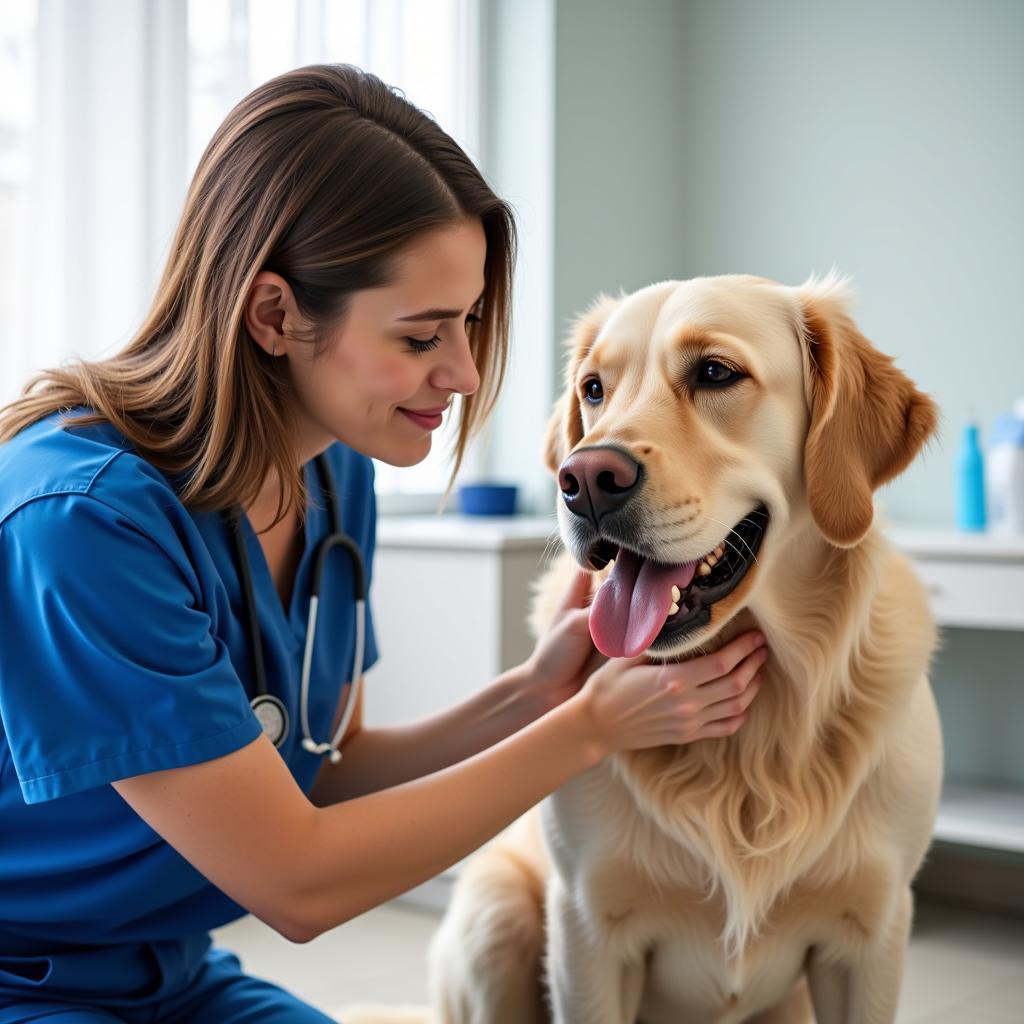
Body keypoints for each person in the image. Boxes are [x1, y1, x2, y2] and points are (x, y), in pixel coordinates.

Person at [0, 64, 767, 1022]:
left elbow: (325, 765)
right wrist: (589, 731)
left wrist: (536, 692)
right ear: (275, 314)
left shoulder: (333, 471)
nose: (463, 370)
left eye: (472, 322)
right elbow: (297, 881)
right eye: (420, 336)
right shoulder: (81, 524)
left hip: (172, 974)